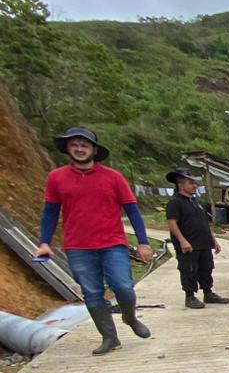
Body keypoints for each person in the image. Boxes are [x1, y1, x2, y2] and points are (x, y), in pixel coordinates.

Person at [35, 126, 154, 355]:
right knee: (92, 293)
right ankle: (109, 337)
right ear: (68, 149)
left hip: (112, 243)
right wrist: (44, 242)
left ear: (94, 150)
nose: (79, 149)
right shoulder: (57, 178)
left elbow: (133, 211)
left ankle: (130, 318)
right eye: (74, 145)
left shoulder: (113, 177)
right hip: (77, 246)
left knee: (123, 286)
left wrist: (143, 242)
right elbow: (50, 212)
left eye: (84, 145)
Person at [165, 167, 228, 309]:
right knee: (189, 269)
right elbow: (172, 223)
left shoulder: (196, 202)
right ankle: (190, 296)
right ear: (180, 185)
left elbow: (204, 222)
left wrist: (213, 240)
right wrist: (182, 240)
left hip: (203, 242)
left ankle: (208, 292)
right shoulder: (175, 202)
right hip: (189, 243)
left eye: (195, 183)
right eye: (190, 183)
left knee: (207, 268)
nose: (194, 186)